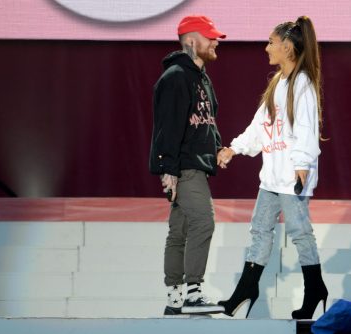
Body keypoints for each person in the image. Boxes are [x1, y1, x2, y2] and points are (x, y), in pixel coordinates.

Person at [217, 16, 328, 319]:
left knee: (299, 232)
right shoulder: (277, 83)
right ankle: (246, 290)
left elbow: (307, 127)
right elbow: (259, 127)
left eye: (271, 42)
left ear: (288, 47)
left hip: (291, 175)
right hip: (271, 177)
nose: (267, 48)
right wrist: (234, 148)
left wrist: (303, 165)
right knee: (259, 231)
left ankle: (315, 289)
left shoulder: (302, 83)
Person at [149, 15, 226, 316]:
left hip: (195, 164)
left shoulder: (201, 77)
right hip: (184, 166)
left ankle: (175, 299)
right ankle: (193, 292)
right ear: (192, 41)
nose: (216, 41)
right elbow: (167, 126)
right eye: (210, 37)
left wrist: (217, 147)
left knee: (180, 231)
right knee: (203, 222)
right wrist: (168, 169)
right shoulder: (176, 77)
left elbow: (209, 118)